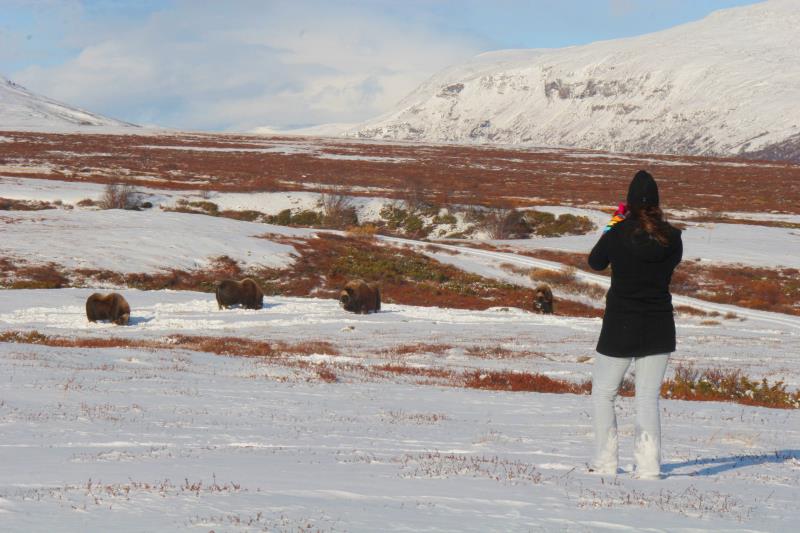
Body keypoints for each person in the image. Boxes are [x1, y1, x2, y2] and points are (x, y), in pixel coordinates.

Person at [587, 170, 682, 479]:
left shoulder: (617, 233)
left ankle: (604, 463)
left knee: (603, 394)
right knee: (647, 397)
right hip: (659, 326)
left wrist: (614, 222)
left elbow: (596, 262)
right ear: (656, 202)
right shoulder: (674, 239)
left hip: (620, 325)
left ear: (627, 203)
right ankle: (649, 467)